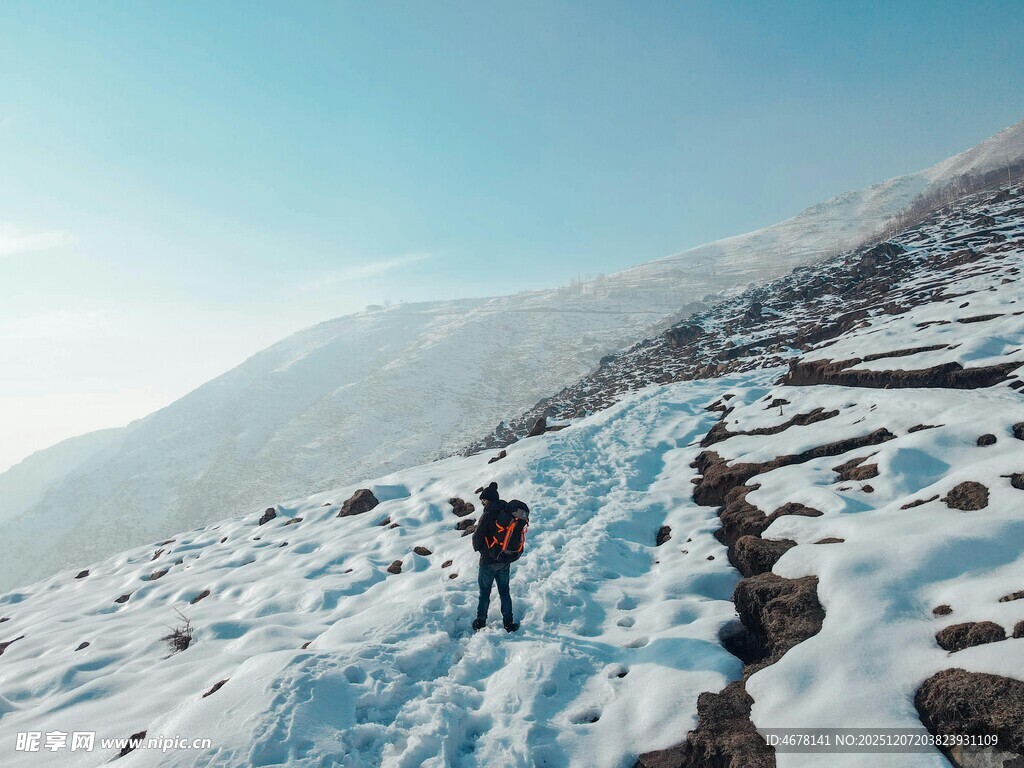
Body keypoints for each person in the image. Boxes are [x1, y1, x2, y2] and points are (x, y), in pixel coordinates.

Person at [471, 481, 526, 633]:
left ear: (487, 499)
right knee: (504, 591)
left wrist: (481, 550)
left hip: (488, 562)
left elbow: (477, 538)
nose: (482, 502)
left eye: (483, 500)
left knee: (485, 593)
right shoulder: (507, 513)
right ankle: (508, 623)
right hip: (504, 559)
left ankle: (481, 622)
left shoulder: (488, 514)